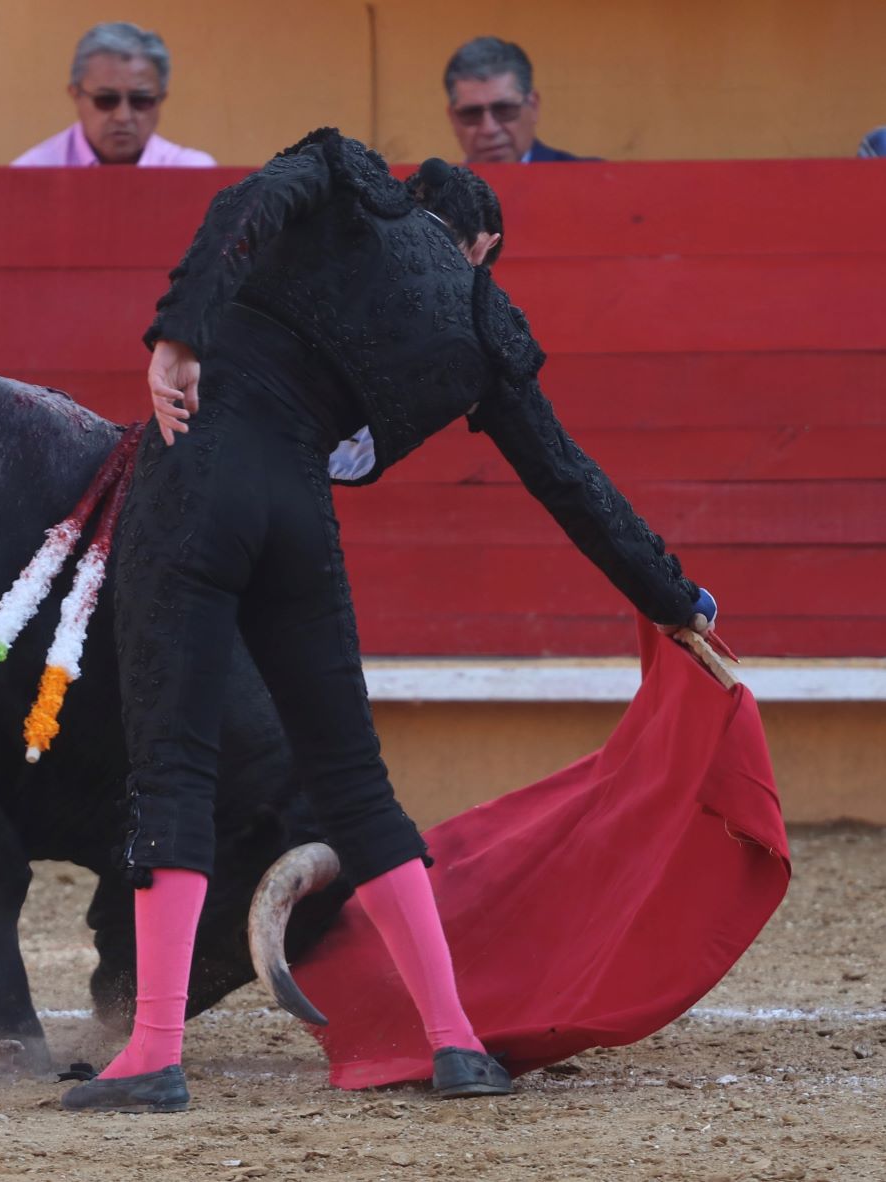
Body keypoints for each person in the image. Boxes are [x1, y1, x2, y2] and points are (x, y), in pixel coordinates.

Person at [59, 130, 716, 1113]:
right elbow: (566, 479)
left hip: (195, 471)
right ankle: (456, 1042)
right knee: (355, 781)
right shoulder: (477, 315)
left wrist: (178, 337)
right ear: (483, 247)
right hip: (298, 512)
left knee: (174, 766)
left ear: (414, 197)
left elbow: (241, 206)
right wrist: (674, 598)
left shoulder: (345, 180)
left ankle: (153, 1052)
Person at [11, 22, 215, 168]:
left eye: (141, 100)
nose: (123, 116)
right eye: (106, 100)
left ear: (161, 99)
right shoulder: (33, 172)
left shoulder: (193, 173)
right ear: (75, 95)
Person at [443, 37, 590, 164]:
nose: (489, 129)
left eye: (504, 109)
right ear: (453, 119)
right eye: (471, 114)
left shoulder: (589, 179)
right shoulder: (437, 188)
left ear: (533, 106)